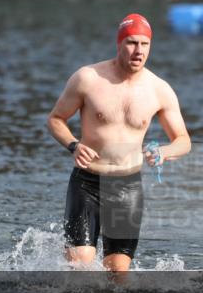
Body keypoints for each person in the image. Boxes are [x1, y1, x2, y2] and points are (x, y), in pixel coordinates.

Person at [47, 14, 191, 273]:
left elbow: (183, 141)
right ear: (119, 43)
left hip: (128, 187)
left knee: (118, 274)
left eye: (145, 44)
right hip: (87, 183)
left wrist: (164, 151)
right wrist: (73, 145)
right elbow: (56, 119)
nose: (139, 51)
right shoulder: (88, 78)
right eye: (132, 43)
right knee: (79, 265)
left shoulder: (159, 89)